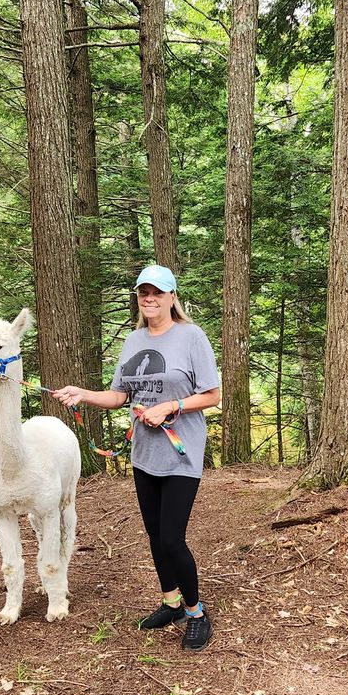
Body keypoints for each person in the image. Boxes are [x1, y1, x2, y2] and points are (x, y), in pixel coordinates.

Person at [54, 265, 222, 651]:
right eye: (143, 292)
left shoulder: (191, 337)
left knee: (172, 538)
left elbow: (212, 395)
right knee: (153, 535)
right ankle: (171, 602)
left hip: (181, 453)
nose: (149, 299)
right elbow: (120, 396)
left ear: (172, 297)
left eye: (157, 293)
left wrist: (170, 406)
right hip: (144, 453)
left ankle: (197, 614)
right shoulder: (133, 341)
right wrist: (83, 393)